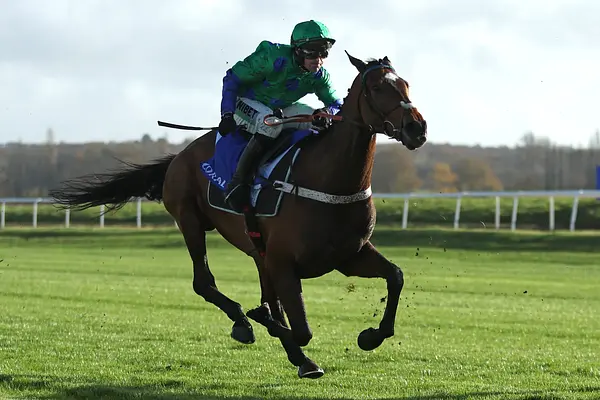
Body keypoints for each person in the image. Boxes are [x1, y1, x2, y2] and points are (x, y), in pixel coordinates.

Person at [217, 19, 344, 211]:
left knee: (319, 122)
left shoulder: (319, 76)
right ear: (297, 51)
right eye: (312, 53)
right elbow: (232, 78)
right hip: (243, 103)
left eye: (323, 53)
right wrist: (227, 114)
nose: (318, 60)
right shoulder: (271, 57)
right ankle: (237, 183)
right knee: (271, 124)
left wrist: (327, 113)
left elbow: (337, 105)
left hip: (280, 108)